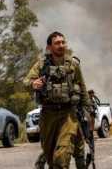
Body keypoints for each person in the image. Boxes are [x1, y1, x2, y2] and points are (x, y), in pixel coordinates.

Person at [24, 32, 92, 169]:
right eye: (57, 43)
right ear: (49, 47)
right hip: (48, 116)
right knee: (50, 157)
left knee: (61, 157)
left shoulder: (73, 65)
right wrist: (33, 84)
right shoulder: (41, 65)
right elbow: (26, 81)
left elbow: (83, 89)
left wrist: (88, 112)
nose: (61, 45)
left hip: (68, 115)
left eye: (63, 42)